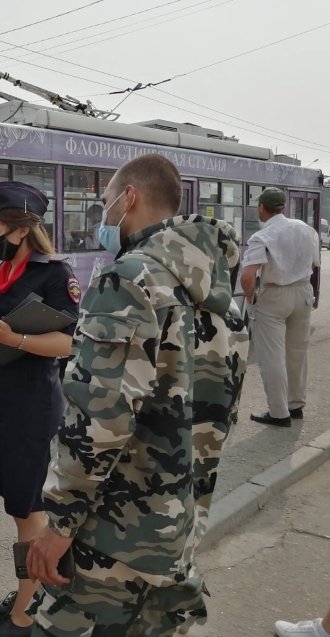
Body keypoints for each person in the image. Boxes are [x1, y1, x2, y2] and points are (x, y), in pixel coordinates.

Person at [25, 154, 249, 636]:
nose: (103, 217)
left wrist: (59, 524)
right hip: (177, 529)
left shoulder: (128, 279)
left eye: (105, 203)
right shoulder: (221, 295)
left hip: (111, 537)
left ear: (129, 198)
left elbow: (100, 419)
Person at [0, 182, 79, 637]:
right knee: (20, 509)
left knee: (31, 511)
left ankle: (26, 613)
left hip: (35, 403)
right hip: (8, 400)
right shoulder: (2, 270)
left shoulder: (54, 271)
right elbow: (7, 328)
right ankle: (32, 591)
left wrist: (9, 337)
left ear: (19, 230)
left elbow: (68, 341)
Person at [241, 187, 320, 427]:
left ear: (262, 208)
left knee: (271, 356)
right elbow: (315, 263)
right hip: (303, 292)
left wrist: (252, 298)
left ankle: (278, 413)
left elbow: (247, 275)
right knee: (297, 353)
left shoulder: (262, 236)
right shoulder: (307, 230)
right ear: (283, 207)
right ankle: (296, 406)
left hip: (274, 296)